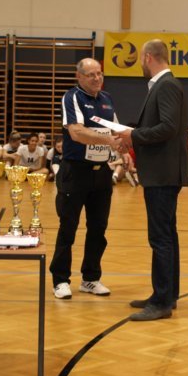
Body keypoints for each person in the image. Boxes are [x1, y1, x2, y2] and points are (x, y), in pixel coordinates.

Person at [117, 39, 188, 321]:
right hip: (163, 172)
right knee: (167, 235)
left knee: (160, 237)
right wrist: (132, 135)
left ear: (147, 57)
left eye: (140, 58)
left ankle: (161, 302)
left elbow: (168, 127)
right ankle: (167, 294)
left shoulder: (166, 85)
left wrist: (133, 135)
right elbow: (162, 126)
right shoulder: (165, 84)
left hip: (162, 173)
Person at [49, 58, 123, 300]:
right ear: (79, 76)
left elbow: (116, 129)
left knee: (98, 228)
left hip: (101, 174)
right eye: (91, 74)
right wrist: (108, 140)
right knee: (68, 228)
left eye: (99, 73)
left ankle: (90, 278)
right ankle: (60, 280)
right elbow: (76, 132)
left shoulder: (107, 99)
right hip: (75, 172)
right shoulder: (72, 97)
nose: (97, 78)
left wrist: (127, 141)